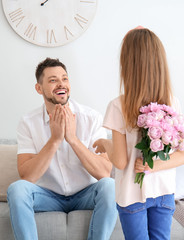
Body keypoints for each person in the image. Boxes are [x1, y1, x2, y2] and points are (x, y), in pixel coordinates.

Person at [93, 27, 184, 240]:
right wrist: (153, 165)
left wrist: (104, 143)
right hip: (164, 192)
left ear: (127, 65)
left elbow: (120, 161)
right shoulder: (172, 103)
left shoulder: (119, 106)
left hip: (131, 194)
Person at [7, 58, 117, 240]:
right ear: (39, 88)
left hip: (86, 194)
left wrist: (72, 139)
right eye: (53, 80)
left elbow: (104, 172)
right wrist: (55, 140)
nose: (61, 84)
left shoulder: (92, 118)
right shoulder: (28, 122)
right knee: (17, 189)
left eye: (65, 79)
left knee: (111, 186)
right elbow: (27, 177)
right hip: (48, 196)